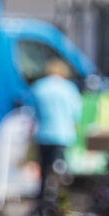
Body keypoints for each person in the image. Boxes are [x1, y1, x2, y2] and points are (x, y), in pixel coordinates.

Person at [29, 56, 82, 195]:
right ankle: (58, 198)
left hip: (44, 133)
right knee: (59, 168)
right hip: (63, 134)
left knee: (44, 168)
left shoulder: (39, 87)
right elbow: (76, 113)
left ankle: (42, 198)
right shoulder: (69, 88)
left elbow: (33, 112)